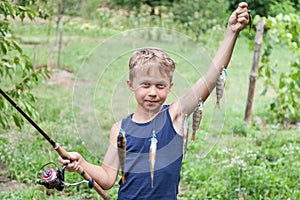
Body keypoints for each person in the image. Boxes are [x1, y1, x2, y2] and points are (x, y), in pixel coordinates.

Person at [59, 2, 250, 199]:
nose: (152, 92)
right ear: (131, 84)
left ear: (170, 87)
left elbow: (212, 76)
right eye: (145, 85)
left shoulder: (175, 114)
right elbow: (107, 178)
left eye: (160, 86)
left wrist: (231, 32)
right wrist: (81, 163)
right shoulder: (120, 129)